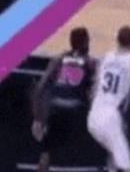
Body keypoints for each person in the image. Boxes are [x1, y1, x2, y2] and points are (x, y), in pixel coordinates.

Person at [31, 27, 95, 172]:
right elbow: (95, 90)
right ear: (86, 42)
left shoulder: (58, 59)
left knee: (45, 153)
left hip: (56, 110)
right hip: (76, 111)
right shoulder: (90, 62)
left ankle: (44, 160)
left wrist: (37, 118)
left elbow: (40, 88)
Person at [87, 26, 130, 172]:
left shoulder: (104, 58)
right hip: (112, 117)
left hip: (94, 117)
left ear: (117, 40)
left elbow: (94, 89)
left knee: (114, 155)